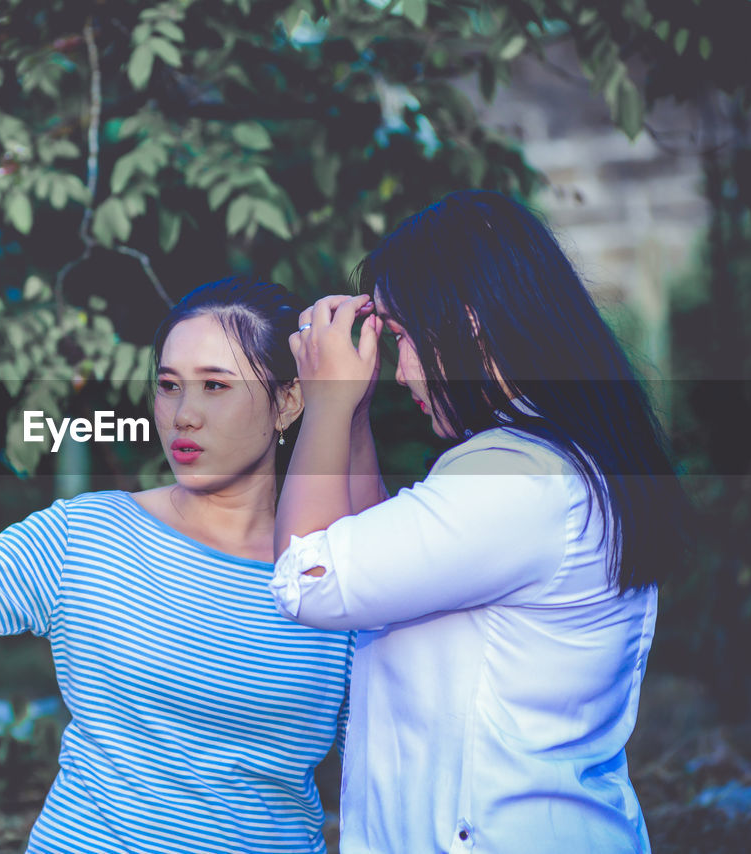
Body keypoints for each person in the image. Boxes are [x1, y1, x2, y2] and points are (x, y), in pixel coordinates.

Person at [0, 277, 353, 854]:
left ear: (290, 401)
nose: (184, 415)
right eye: (170, 385)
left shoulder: (338, 569)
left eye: (216, 386)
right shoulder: (85, 535)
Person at [271, 190, 690, 853]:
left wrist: (322, 405)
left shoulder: (515, 481)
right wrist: (349, 410)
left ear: (466, 322)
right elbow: (382, 561)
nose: (402, 369)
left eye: (404, 338)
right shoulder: (546, 461)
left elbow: (307, 577)